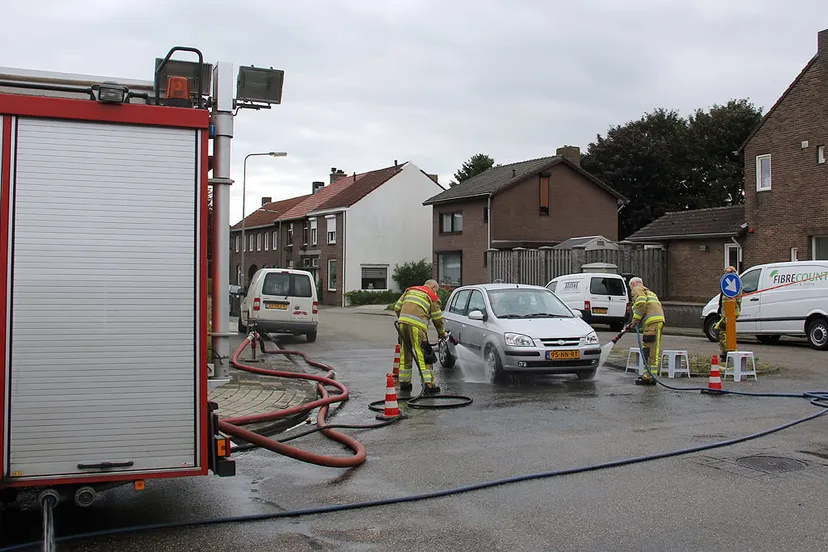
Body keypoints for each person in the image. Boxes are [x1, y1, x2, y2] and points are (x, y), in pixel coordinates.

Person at [393, 279, 447, 394]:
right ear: (433, 287)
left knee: (405, 353)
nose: (436, 292)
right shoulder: (432, 296)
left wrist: (403, 318)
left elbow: (397, 307)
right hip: (417, 327)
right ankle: (428, 385)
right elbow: (437, 319)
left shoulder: (410, 290)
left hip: (402, 324)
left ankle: (404, 383)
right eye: (436, 290)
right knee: (421, 354)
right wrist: (442, 333)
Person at [627, 276, 666, 386]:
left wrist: (635, 321)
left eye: (630, 288)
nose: (631, 292)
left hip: (651, 323)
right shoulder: (650, 292)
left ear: (633, 284)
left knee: (650, 350)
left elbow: (641, 304)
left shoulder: (637, 289)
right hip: (656, 322)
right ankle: (650, 375)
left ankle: (649, 377)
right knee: (651, 349)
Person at [715, 266, 742, 363]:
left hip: (730, 313)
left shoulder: (734, 283)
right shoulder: (728, 283)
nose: (725, 274)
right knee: (723, 331)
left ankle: (728, 352)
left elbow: (737, 300)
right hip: (725, 312)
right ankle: (727, 352)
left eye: (726, 272)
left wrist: (733, 306)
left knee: (723, 332)